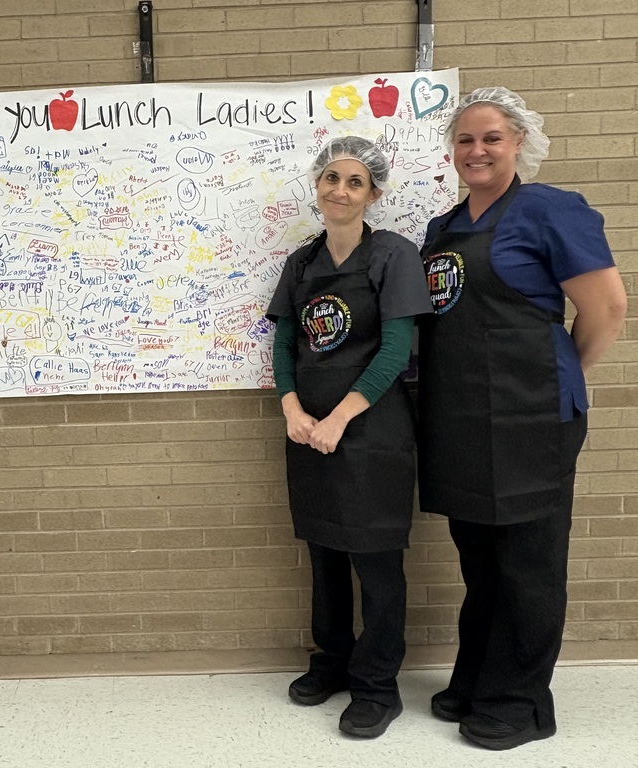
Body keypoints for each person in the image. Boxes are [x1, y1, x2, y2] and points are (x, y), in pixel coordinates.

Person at [417, 87, 627, 751]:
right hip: (460, 419)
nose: (476, 151)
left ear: (519, 144)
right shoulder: (442, 229)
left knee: (527, 564)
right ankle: (478, 678)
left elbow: (608, 309)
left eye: (491, 138)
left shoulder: (551, 211)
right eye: (465, 140)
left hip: (532, 417)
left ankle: (519, 701)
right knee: (481, 560)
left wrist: (561, 377)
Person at [266, 137, 432, 738]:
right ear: (317, 186)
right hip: (306, 430)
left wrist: (339, 418)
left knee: (377, 563)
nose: (339, 189)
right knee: (325, 553)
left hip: (372, 432)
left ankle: (377, 686)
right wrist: (292, 409)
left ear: (374, 194)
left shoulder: (393, 255)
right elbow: (284, 344)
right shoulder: (301, 263)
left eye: (355, 181)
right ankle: (331, 662)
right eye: (331, 177)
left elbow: (396, 350)